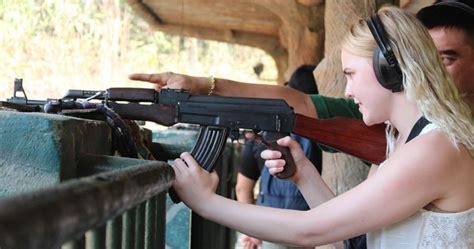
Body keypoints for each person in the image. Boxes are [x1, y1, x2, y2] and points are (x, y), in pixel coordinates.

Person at [168, 6, 474, 248]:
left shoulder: (435, 149)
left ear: (388, 68)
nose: (347, 91)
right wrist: (304, 176)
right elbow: (348, 240)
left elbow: (308, 232)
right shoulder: (400, 141)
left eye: (351, 74)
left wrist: (206, 202)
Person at [129, 1, 473, 124]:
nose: (428, 71)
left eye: (446, 58)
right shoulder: (394, 115)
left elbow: (312, 228)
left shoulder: (431, 142)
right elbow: (297, 100)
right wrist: (204, 85)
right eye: (424, 57)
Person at [236, 65, 322, 249]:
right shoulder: (322, 132)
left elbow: (243, 188)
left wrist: (253, 231)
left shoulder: (261, 133)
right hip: (309, 227)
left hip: (269, 227)